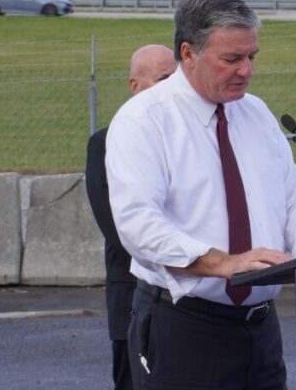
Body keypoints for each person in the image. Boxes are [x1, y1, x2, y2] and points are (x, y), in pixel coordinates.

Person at [106, 0, 296, 390]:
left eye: (252, 57)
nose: (246, 70)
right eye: (231, 59)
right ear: (188, 54)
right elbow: (138, 225)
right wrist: (222, 263)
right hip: (184, 329)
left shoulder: (256, 112)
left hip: (261, 330)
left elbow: (293, 200)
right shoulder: (143, 120)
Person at [85, 44, 178, 390]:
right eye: (163, 79)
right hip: (134, 297)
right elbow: (117, 227)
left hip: (189, 304)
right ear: (135, 86)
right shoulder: (105, 143)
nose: (172, 88)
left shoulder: (191, 139)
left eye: (177, 78)